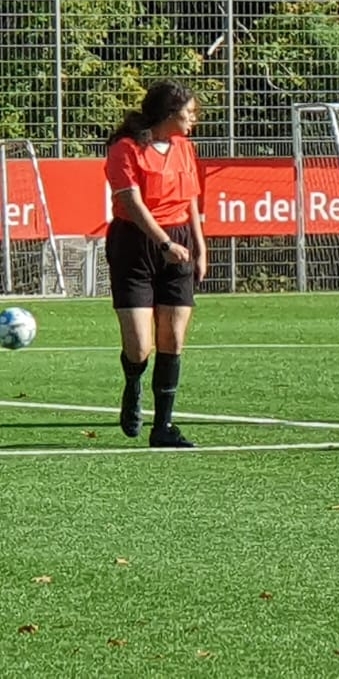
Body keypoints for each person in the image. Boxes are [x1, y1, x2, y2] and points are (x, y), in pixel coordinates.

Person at [105, 80, 205, 448]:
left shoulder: (184, 148)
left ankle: (163, 426)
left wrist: (199, 246)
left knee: (173, 338)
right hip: (136, 245)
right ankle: (132, 384)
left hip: (178, 244)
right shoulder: (125, 148)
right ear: (168, 114)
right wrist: (163, 242)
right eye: (188, 113)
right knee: (139, 347)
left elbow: (190, 198)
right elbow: (132, 203)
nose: (193, 119)